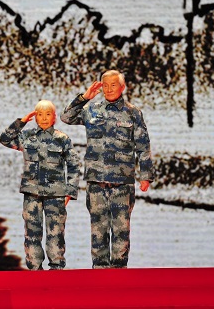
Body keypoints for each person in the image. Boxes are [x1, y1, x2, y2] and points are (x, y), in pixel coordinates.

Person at [60, 70, 153, 269]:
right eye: (106, 85)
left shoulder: (133, 112)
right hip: (96, 181)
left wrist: (145, 175)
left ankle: (119, 273)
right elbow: (66, 117)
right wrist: (84, 98)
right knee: (98, 230)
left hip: (122, 182)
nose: (109, 89)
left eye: (113, 85)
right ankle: (99, 273)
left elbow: (143, 145)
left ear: (122, 87)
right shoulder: (91, 110)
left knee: (121, 231)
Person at [0, 99, 80, 270]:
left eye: (48, 114)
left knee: (55, 233)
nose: (44, 118)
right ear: (35, 117)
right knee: (32, 234)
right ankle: (35, 271)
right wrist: (21, 122)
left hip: (55, 194)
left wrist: (70, 191)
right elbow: (5, 139)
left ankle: (56, 270)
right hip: (32, 193)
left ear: (54, 117)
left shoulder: (62, 139)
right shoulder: (26, 137)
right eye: (40, 114)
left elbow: (74, 165)